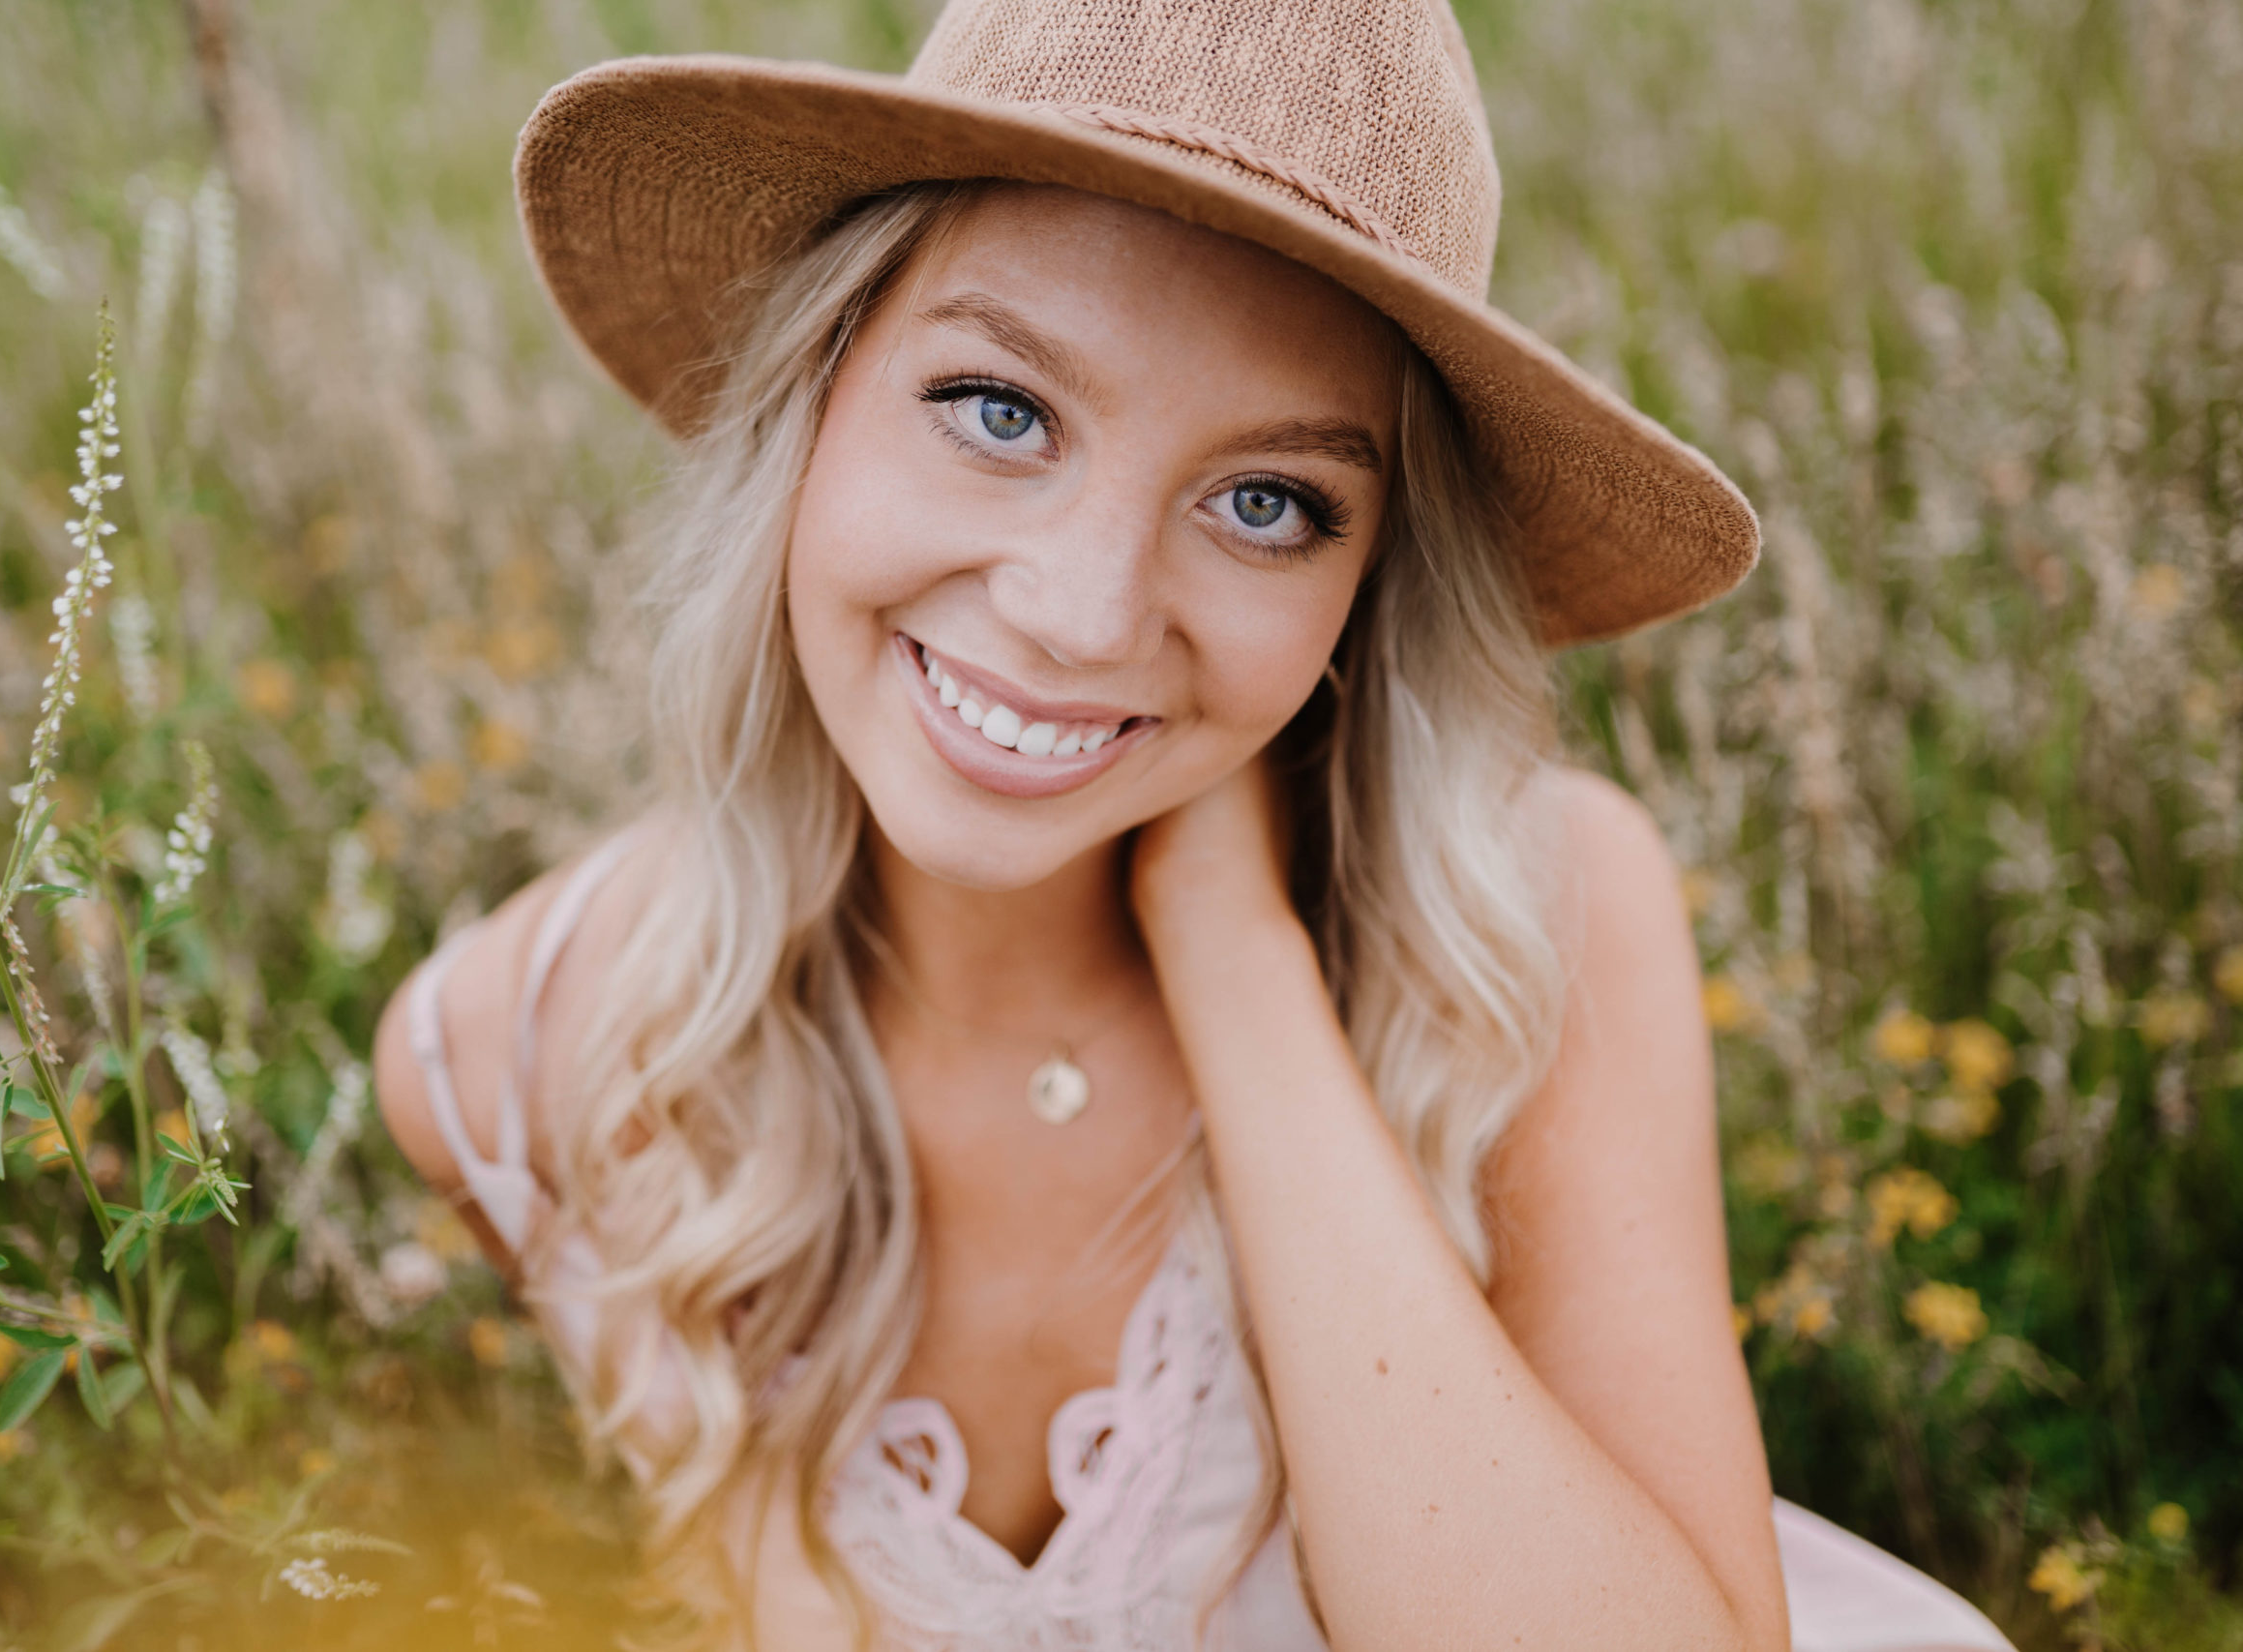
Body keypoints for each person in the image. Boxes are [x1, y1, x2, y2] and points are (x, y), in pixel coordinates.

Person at [374, 1, 2019, 1647]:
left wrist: (1235, 951)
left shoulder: (1540, 923)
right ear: (811, 392)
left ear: (1364, 587)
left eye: (1267, 504)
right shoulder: (523, 1052)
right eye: (1001, 408)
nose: (1086, 617)